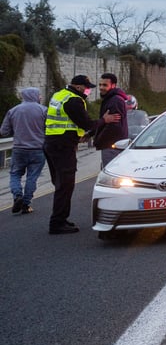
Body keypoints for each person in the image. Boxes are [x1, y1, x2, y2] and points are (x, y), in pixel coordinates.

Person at [43, 75, 120, 234]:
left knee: (61, 183)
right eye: (87, 88)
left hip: (52, 144)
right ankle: (57, 222)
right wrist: (104, 120)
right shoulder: (74, 101)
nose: (88, 91)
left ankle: (61, 219)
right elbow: (87, 123)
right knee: (65, 184)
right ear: (78, 87)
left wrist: (79, 136)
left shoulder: (59, 95)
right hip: (62, 147)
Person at [1, 87, 46, 215]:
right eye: (39, 95)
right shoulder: (43, 110)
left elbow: (3, 131)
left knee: (15, 174)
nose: (41, 97)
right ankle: (26, 204)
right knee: (32, 177)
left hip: (19, 149)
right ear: (35, 95)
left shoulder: (13, 111)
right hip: (38, 149)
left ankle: (17, 196)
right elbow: (50, 129)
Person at [93, 73, 129, 168]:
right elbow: (105, 122)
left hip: (112, 145)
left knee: (110, 174)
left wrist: (99, 140)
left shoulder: (115, 101)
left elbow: (113, 126)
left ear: (113, 85)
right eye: (100, 84)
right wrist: (91, 133)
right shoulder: (110, 99)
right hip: (111, 145)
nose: (101, 87)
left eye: (105, 85)